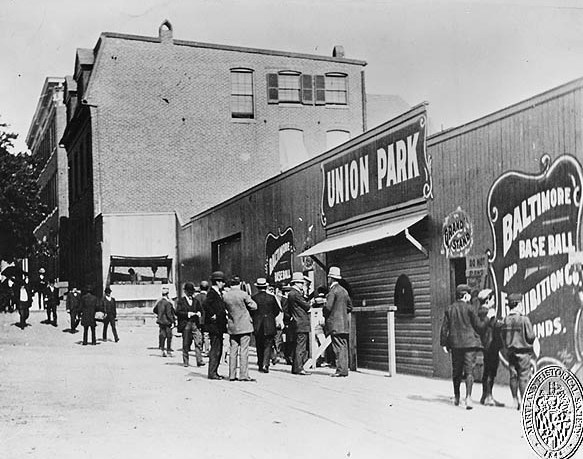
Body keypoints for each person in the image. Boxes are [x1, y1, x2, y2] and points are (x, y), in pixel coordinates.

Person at [440, 283, 490, 409]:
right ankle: (468, 398)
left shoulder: (450, 309)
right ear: (466, 295)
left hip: (455, 345)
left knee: (456, 372)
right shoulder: (470, 308)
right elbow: (479, 326)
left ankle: (457, 397)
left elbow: (444, 328)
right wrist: (488, 318)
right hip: (469, 345)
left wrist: (444, 343)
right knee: (469, 372)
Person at [500, 292, 535, 411]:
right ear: (518, 304)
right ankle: (525, 401)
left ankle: (515, 400)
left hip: (510, 352)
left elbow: (503, 336)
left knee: (513, 376)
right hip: (523, 353)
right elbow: (531, 336)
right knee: (523, 376)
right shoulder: (524, 319)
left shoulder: (506, 320)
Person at [223, 277, 257, 381]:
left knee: (233, 351)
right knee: (244, 351)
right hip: (244, 326)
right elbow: (254, 306)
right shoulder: (243, 294)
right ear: (240, 283)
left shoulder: (225, 296)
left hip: (233, 326)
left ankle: (232, 375)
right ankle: (243, 375)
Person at [323, 267, 353, 377]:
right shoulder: (344, 291)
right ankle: (344, 370)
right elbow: (350, 307)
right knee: (343, 346)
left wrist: (325, 313)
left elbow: (327, 308)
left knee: (338, 347)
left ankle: (340, 370)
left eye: (328, 278)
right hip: (344, 324)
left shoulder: (332, 292)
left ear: (330, 278)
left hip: (334, 324)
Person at [477, 288, 504, 407]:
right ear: (487, 300)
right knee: (491, 370)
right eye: (492, 298)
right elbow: (494, 326)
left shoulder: (482, 311)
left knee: (488, 370)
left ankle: (485, 396)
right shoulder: (486, 312)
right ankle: (488, 397)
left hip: (487, 344)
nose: (494, 300)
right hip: (491, 344)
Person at [203, 271, 227, 380]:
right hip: (215, 326)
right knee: (216, 349)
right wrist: (213, 314)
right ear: (217, 282)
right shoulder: (212, 292)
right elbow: (206, 304)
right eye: (222, 281)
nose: (223, 284)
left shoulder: (217, 292)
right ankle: (212, 373)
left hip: (218, 326)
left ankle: (214, 372)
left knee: (218, 349)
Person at [252, 278, 280, 373]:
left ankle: (260, 364)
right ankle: (265, 364)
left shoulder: (254, 298)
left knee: (259, 345)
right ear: (266, 286)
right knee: (268, 345)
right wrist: (270, 317)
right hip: (269, 323)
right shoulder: (271, 298)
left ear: (257, 287)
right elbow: (276, 310)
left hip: (258, 324)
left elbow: (251, 311)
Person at [285, 272, 311, 375]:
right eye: (301, 283)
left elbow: (287, 310)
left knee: (297, 345)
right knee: (301, 346)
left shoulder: (290, 294)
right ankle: (299, 368)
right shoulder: (296, 294)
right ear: (296, 283)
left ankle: (296, 367)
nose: (302, 284)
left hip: (295, 322)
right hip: (301, 322)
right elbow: (307, 306)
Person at [176, 282, 204, 367]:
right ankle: (186, 361)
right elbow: (177, 312)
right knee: (186, 343)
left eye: (191, 291)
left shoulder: (196, 301)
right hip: (186, 324)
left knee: (198, 341)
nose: (190, 293)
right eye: (188, 291)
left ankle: (199, 360)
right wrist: (188, 314)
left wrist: (199, 313)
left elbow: (201, 310)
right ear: (185, 292)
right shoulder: (181, 301)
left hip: (195, 323)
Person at [154, 285, 176, 357]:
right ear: (167, 294)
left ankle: (162, 349)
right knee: (169, 336)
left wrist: (159, 314)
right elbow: (169, 313)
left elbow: (155, 310)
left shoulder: (159, 302)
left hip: (160, 320)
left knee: (162, 335)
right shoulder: (168, 303)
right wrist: (172, 321)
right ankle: (168, 349)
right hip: (167, 321)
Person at [194, 281, 210, 355]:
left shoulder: (196, 297)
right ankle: (206, 350)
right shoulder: (208, 297)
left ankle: (199, 349)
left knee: (199, 335)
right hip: (206, 319)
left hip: (198, 318)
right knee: (206, 335)